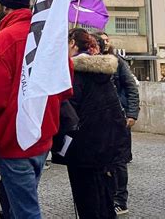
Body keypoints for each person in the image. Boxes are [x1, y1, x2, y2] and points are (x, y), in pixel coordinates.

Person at [0, 0, 70, 218]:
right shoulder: (48, 36)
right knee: (19, 206)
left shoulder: (5, 39)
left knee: (25, 211)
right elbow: (65, 86)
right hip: (43, 133)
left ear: (4, 8)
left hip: (14, 138)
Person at [59, 29, 126, 218]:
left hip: (83, 149)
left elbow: (68, 114)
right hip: (106, 146)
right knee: (104, 199)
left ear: (72, 43)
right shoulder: (103, 72)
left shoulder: (74, 73)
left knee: (87, 203)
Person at [92, 31, 139, 216]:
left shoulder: (117, 62)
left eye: (103, 42)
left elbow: (130, 87)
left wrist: (132, 113)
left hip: (120, 117)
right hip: (99, 119)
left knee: (119, 161)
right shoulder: (90, 63)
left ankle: (120, 199)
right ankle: (105, 195)